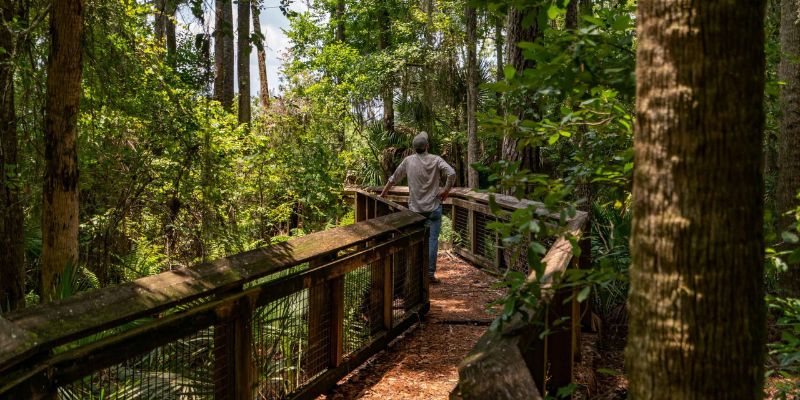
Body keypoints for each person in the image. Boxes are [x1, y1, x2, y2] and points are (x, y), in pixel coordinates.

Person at [380, 131, 455, 283]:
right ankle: (429, 273)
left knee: (414, 241)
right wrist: (446, 191)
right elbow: (451, 173)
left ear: (414, 148)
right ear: (427, 146)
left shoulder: (408, 161)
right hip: (433, 208)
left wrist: (383, 194)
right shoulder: (436, 160)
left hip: (414, 210)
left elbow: (393, 178)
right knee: (432, 240)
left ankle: (413, 275)